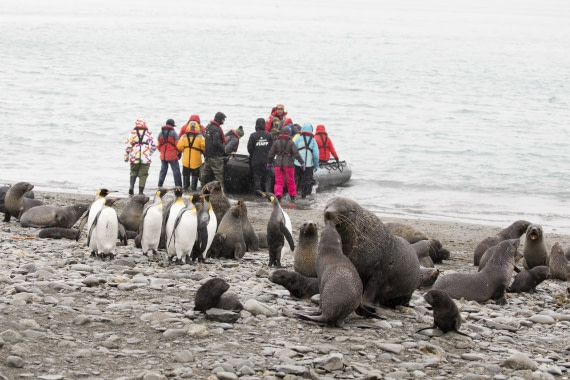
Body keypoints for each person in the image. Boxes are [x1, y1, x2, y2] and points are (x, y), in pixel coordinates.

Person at [267, 126, 304, 203]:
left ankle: (278, 196)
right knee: (290, 180)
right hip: (288, 164)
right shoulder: (291, 142)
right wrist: (302, 162)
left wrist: (269, 163)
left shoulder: (276, 142)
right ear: (289, 133)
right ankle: (292, 197)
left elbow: (271, 154)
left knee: (278, 181)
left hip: (278, 164)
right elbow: (296, 154)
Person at [124, 118, 157, 195]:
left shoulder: (132, 133)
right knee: (143, 174)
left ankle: (131, 187)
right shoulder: (149, 133)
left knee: (133, 172)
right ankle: (141, 192)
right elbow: (155, 144)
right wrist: (150, 153)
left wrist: (126, 157)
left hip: (134, 156)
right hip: (145, 158)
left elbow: (127, 146)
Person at [177, 119, 206, 191]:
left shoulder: (184, 137)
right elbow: (204, 148)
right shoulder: (200, 137)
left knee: (185, 174)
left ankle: (186, 188)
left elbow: (179, 147)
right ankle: (193, 189)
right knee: (195, 175)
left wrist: (185, 149)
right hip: (196, 160)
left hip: (186, 161)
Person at [247, 118, 274, 194]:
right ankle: (268, 193)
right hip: (267, 160)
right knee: (267, 178)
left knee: (257, 178)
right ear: (264, 125)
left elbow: (249, 149)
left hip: (256, 161)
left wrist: (255, 154)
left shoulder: (253, 135)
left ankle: (258, 195)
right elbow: (273, 148)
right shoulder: (269, 135)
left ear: (256, 125)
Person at [200, 111, 227, 188]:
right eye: (223, 119)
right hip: (215, 156)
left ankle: (202, 189)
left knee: (205, 174)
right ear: (219, 119)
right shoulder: (216, 129)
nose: (224, 121)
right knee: (219, 175)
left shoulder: (209, 126)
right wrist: (224, 150)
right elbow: (216, 142)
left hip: (208, 154)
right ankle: (221, 192)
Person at [293, 123, 319, 199]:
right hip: (308, 165)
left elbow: (293, 151)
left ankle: (295, 195)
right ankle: (305, 196)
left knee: (296, 180)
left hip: (297, 164)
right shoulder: (313, 141)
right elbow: (316, 155)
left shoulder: (298, 139)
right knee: (307, 181)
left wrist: (293, 161)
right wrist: (316, 165)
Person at [156, 119, 182, 188]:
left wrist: (162, 152)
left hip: (163, 156)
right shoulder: (174, 133)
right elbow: (178, 145)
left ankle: (160, 185)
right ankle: (178, 186)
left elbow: (158, 146)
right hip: (172, 156)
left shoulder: (160, 133)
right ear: (172, 125)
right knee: (176, 170)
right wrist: (179, 152)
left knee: (163, 170)